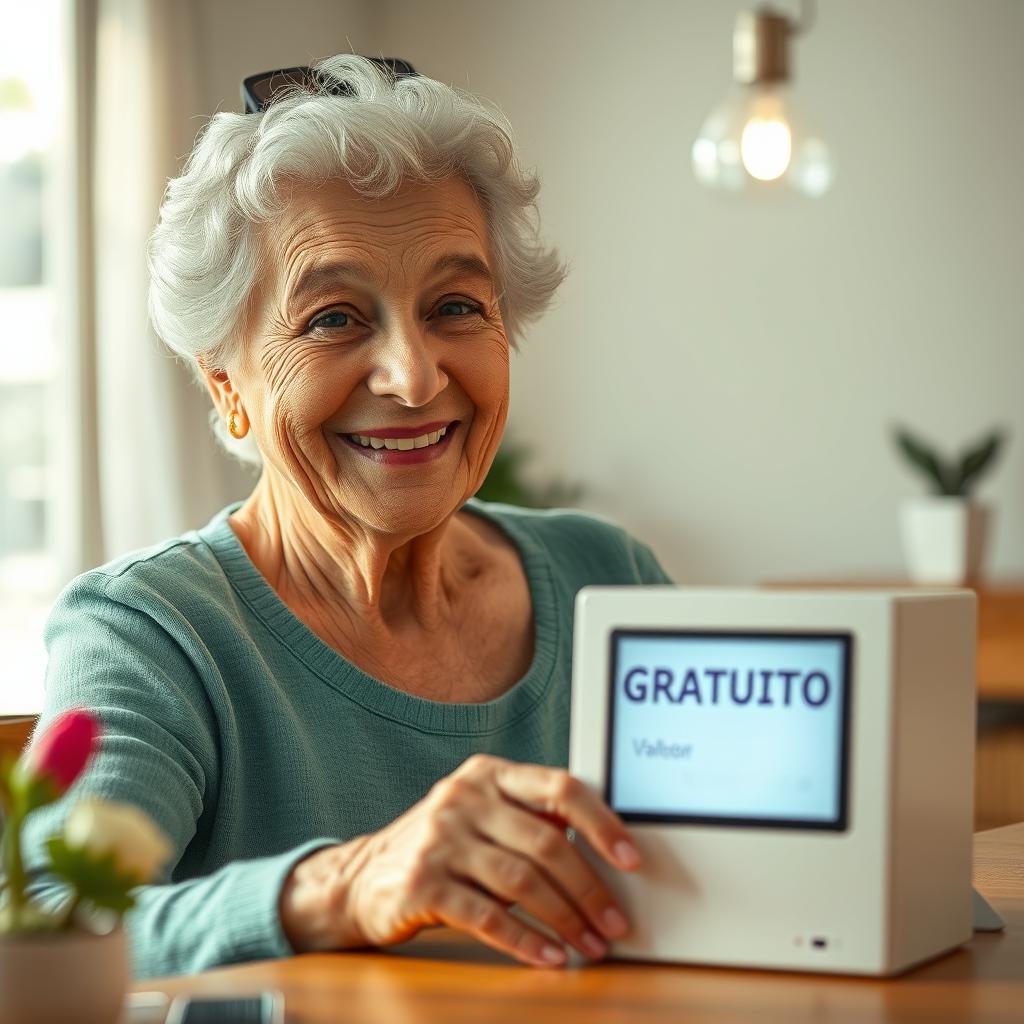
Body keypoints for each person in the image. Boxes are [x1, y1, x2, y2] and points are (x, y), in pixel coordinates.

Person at [23, 53, 672, 979]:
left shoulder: (606, 578)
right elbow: (48, 940)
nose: (414, 377)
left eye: (456, 306)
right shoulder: (154, 632)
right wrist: (345, 886)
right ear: (228, 387)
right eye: (333, 319)